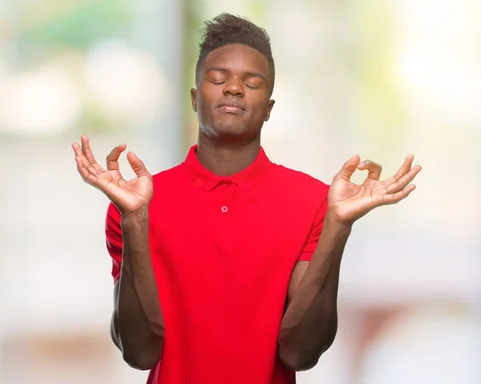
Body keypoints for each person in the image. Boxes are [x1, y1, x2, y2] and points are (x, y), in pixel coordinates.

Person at [72, 13, 421, 384]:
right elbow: (140, 352)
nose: (234, 89)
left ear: (269, 108)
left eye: (251, 83)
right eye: (219, 79)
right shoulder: (136, 203)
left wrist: (338, 226)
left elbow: (300, 352)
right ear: (195, 98)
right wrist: (135, 221)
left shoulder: (314, 201)